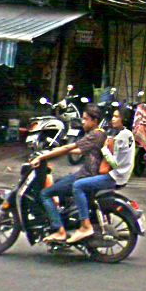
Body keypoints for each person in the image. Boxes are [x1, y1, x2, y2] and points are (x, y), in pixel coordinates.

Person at [31, 104, 106, 244]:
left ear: (95, 121)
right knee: (59, 181)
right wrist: (56, 151)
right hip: (88, 173)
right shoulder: (101, 133)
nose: (83, 122)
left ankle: (60, 230)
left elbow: (69, 147)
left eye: (86, 119)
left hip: (86, 176)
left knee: (45, 194)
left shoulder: (94, 134)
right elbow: (78, 150)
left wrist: (42, 157)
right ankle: (64, 218)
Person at [69, 107, 136, 239]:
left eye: (116, 117)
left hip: (114, 176)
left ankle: (85, 225)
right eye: (113, 116)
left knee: (78, 185)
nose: (113, 119)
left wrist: (104, 149)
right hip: (122, 175)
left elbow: (114, 163)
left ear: (124, 119)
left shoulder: (121, 137)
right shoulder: (127, 134)